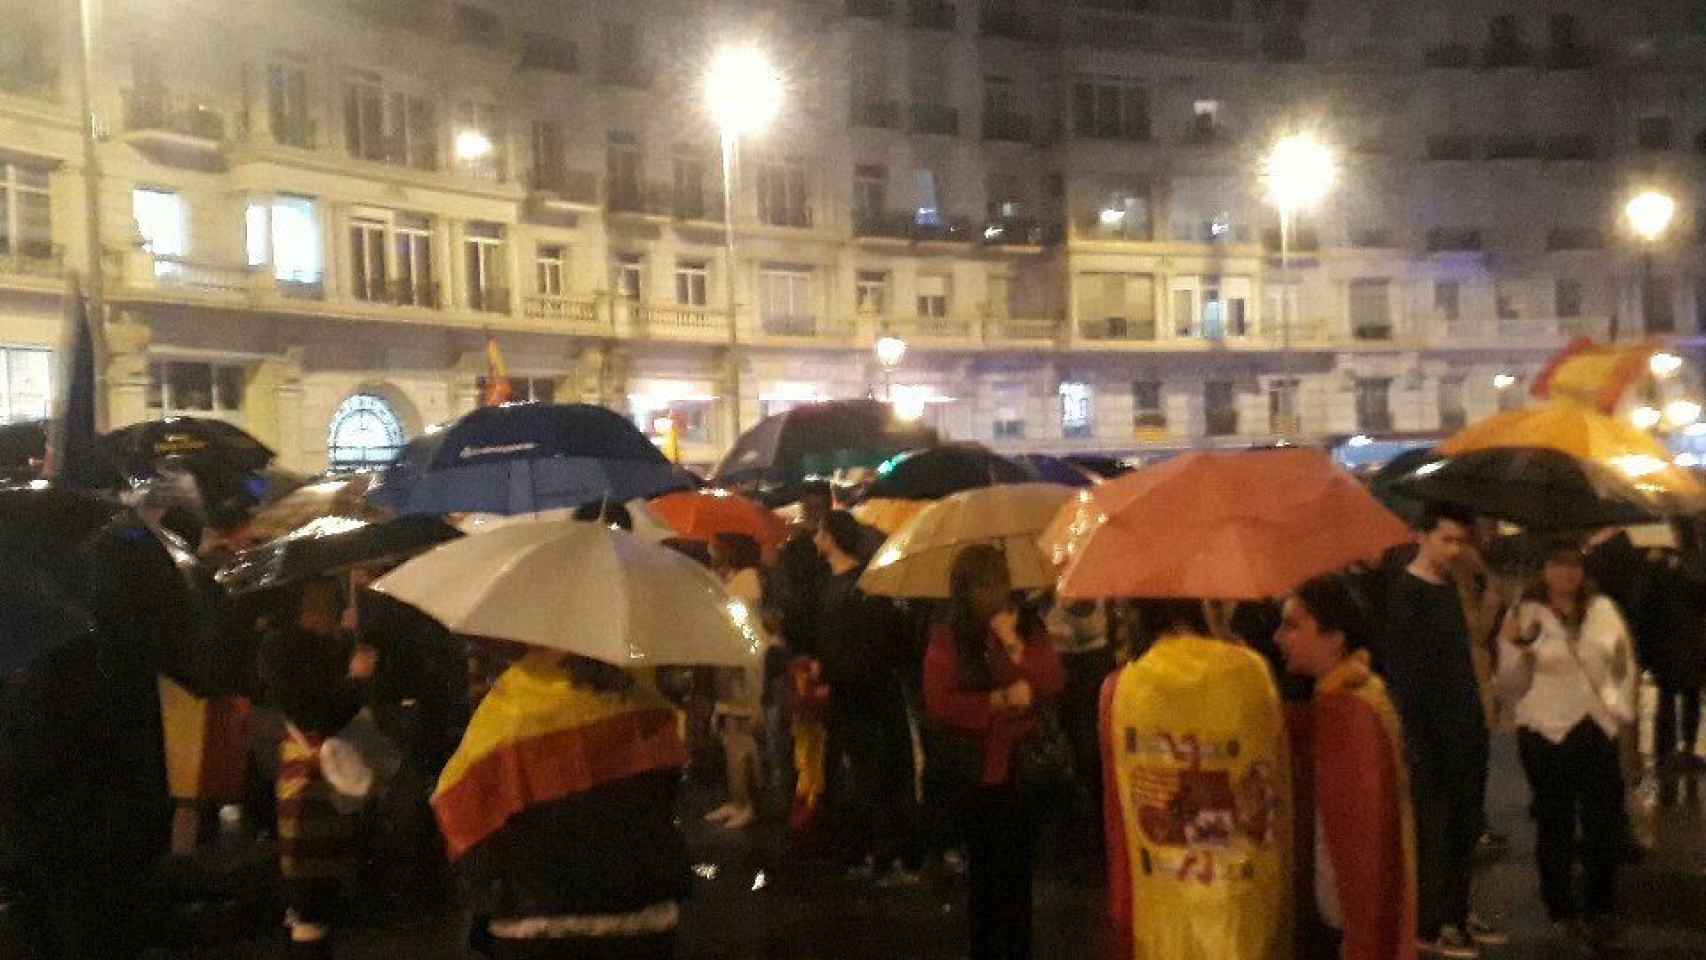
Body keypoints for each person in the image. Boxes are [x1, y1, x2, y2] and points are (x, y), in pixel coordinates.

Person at [432, 650, 689, 960]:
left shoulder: (513, 702)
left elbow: (463, 806)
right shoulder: (650, 708)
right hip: (641, 911)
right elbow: (663, 796)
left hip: (539, 914)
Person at [924, 544, 1064, 960]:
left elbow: (1052, 680)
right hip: (977, 770)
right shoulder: (949, 636)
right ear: (965, 590)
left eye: (1001, 580)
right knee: (985, 878)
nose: (996, 593)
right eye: (985, 584)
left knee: (1018, 876)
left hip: (1023, 768)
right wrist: (997, 702)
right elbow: (940, 701)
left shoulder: (1027, 627)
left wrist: (1014, 645)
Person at [1495, 542, 1636, 949]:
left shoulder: (1603, 610)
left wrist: (1619, 711)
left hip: (1595, 727)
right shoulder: (1525, 614)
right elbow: (1509, 686)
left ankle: (1600, 906)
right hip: (1545, 731)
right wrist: (1517, 647)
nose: (1567, 574)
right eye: (1557, 564)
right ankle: (1560, 907)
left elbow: (1624, 664)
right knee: (1555, 822)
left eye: (1573, 564)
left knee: (1603, 822)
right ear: (1544, 569)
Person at [1278, 575, 1417, 960]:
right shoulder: (1348, 697)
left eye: (1292, 626)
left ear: (1335, 636)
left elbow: (1363, 842)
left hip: (1345, 912)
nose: (1279, 637)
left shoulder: (1349, 710)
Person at [1380, 503, 1494, 958]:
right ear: (1422, 537)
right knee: (1437, 831)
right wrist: (1415, 740)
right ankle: (1431, 923)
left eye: (1459, 541)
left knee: (1465, 825)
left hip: (1465, 726)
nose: (1453, 549)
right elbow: (1407, 678)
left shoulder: (1448, 587)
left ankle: (1457, 911)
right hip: (1431, 735)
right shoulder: (1407, 593)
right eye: (1445, 539)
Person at [258, 577, 376, 959]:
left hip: (331, 768)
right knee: (308, 873)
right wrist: (356, 680)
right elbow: (316, 710)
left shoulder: (337, 643)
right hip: (308, 771)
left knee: (325, 870)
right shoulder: (281, 648)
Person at [815, 509, 919, 882]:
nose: (815, 539)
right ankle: (875, 848)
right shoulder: (844, 584)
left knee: (873, 773)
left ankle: (885, 851)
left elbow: (871, 646)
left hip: (864, 696)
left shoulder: (860, 588)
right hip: (857, 693)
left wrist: (834, 671)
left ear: (832, 537)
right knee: (865, 773)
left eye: (820, 532)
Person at [704, 532, 770, 831]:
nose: (709, 550)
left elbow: (746, 637)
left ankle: (751, 804)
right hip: (730, 673)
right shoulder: (735, 584)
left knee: (744, 743)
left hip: (742, 676)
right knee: (732, 741)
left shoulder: (745, 588)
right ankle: (737, 800)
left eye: (715, 547)